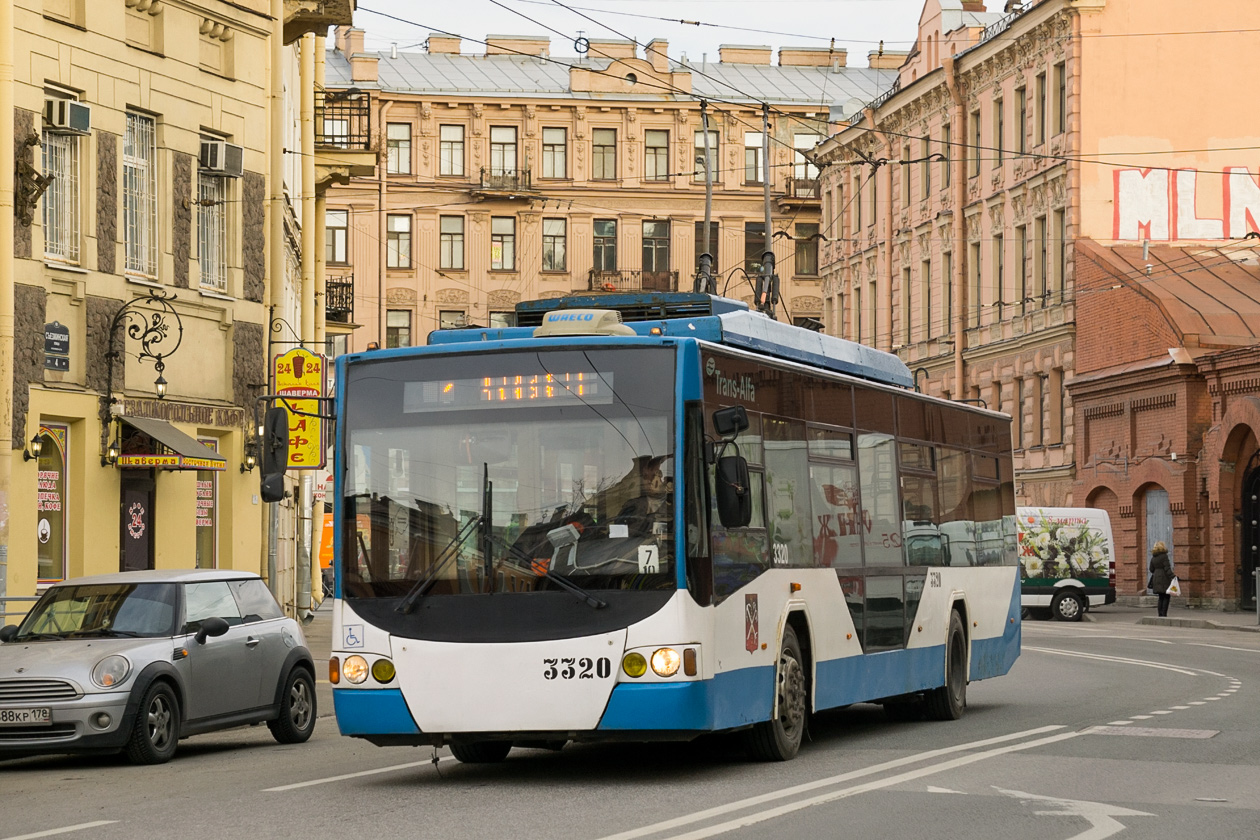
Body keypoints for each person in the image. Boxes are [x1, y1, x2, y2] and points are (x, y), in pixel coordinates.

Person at [1148, 540, 1174, 617]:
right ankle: (1164, 614)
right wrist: (1173, 576)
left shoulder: (1153, 558)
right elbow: (1167, 568)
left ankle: (1160, 614)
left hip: (1156, 578)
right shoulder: (1164, 556)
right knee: (1166, 596)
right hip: (1164, 578)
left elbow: (1151, 569)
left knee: (1160, 597)